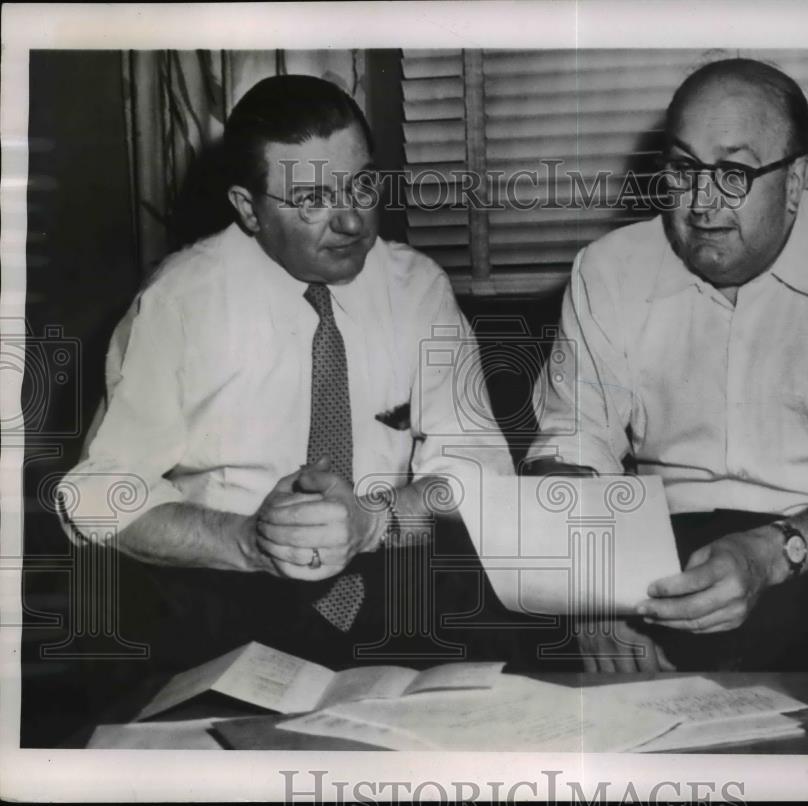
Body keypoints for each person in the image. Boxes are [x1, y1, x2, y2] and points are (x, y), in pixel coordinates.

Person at [57, 75, 513, 669]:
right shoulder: (179, 302)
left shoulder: (415, 288)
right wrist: (247, 541)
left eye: (362, 185)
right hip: (227, 594)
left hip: (394, 583)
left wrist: (373, 521)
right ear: (248, 209)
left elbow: (479, 473)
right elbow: (98, 494)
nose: (352, 223)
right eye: (312, 200)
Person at [526, 58, 808, 672]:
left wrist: (771, 552)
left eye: (733, 172)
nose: (703, 204)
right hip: (652, 551)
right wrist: (590, 594)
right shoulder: (607, 269)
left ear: (794, 180)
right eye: (684, 169)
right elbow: (565, 452)